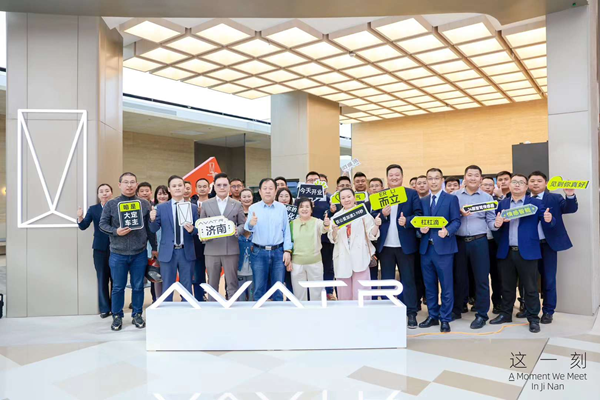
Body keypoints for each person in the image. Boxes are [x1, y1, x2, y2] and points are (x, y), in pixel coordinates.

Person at [490, 174, 554, 333]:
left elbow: (548, 221)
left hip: (528, 252)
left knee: (531, 288)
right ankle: (506, 314)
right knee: (507, 287)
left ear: (526, 187)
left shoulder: (535, 203)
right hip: (506, 251)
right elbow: (496, 226)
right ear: (510, 185)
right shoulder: (503, 204)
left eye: (521, 182)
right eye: (514, 182)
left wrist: (549, 219)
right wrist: (497, 224)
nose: (517, 185)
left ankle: (533, 318)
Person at [99, 172, 157, 331]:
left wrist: (154, 247)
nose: (129, 185)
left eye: (132, 182)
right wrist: (116, 231)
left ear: (136, 184)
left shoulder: (144, 204)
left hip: (139, 253)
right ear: (119, 185)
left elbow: (150, 229)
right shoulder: (112, 204)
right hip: (118, 253)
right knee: (118, 287)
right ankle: (117, 316)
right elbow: (102, 225)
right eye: (126, 182)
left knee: (138, 286)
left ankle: (137, 314)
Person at [528, 171, 578, 324]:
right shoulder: (523, 200)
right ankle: (530, 310)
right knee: (528, 280)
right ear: (528, 184)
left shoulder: (555, 198)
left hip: (548, 245)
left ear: (546, 183)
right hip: (529, 245)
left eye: (539, 181)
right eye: (532, 181)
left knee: (549, 279)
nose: (535, 183)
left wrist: (570, 195)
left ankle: (548, 311)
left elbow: (570, 208)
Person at [376, 164, 422, 329]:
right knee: (387, 280)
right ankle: (389, 311)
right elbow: (373, 216)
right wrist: (383, 214)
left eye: (397, 175)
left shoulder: (411, 194)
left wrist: (407, 221)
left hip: (405, 245)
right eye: (391, 175)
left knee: (408, 280)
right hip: (385, 246)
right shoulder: (380, 195)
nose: (394, 177)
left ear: (402, 177)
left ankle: (411, 313)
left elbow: (419, 214)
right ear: (387, 178)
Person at [453, 165, 498, 329]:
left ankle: (481, 314)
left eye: (476, 175)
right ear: (464, 178)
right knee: (459, 278)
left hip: (479, 242)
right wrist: (459, 213)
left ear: (481, 178)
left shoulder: (487, 197)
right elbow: (449, 218)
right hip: (458, 242)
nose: (473, 178)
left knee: (481, 279)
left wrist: (497, 224)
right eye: (469, 175)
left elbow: (491, 221)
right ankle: (457, 309)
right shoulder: (454, 196)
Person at [418, 168, 461, 333]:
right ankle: (433, 316)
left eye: (436, 178)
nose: (433, 181)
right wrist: (420, 229)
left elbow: (456, 221)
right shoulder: (423, 201)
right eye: (430, 178)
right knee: (429, 286)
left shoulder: (451, 199)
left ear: (442, 180)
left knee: (446, 286)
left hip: (444, 249)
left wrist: (448, 231)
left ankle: (445, 318)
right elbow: (418, 222)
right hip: (426, 249)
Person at [149, 175, 198, 301]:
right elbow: (153, 229)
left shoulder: (192, 208)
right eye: (174, 186)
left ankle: (188, 308)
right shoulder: (161, 208)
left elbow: (198, 231)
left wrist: (192, 230)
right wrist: (152, 219)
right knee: (167, 286)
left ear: (185, 188)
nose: (177, 188)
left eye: (180, 185)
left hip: (186, 251)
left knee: (187, 285)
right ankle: (167, 309)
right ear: (169, 189)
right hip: (167, 252)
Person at [199, 173, 247, 300]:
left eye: (225, 185)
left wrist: (238, 230)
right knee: (212, 283)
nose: (222, 187)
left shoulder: (237, 204)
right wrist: (202, 235)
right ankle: (213, 307)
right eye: (219, 185)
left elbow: (243, 224)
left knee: (232, 282)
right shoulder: (206, 204)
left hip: (230, 248)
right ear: (214, 187)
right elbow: (201, 224)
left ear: (229, 187)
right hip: (212, 248)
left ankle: (233, 306)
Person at [329, 188, 381, 300]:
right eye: (343, 198)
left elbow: (372, 235)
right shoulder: (336, 217)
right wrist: (334, 231)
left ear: (354, 198)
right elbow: (332, 239)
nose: (346, 200)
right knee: (344, 294)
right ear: (340, 201)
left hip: (360, 256)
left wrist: (377, 225)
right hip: (342, 258)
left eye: (349, 196)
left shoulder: (363, 214)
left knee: (362, 293)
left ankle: (363, 312)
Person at [245, 178, 293, 301]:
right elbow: (248, 228)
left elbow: (286, 230)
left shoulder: (281, 208)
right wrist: (251, 223)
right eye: (265, 189)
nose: (268, 191)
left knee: (278, 287)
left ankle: (278, 311)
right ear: (260, 192)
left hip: (278, 251)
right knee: (259, 287)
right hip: (259, 252)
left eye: (271, 188)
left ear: (275, 191)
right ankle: (259, 310)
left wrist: (287, 250)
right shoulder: (253, 208)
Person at [77, 183, 114, 318]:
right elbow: (83, 226)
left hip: (117, 248)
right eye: (101, 191)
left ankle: (115, 307)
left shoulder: (117, 206)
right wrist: (80, 217)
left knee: (116, 279)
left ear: (111, 193)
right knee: (102, 278)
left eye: (107, 190)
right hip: (100, 249)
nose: (104, 193)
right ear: (98, 195)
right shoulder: (93, 209)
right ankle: (105, 308)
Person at [290, 198, 331, 300]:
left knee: (317, 293)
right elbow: (289, 243)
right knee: (299, 293)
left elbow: (324, 229)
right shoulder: (292, 223)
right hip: (296, 263)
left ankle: (316, 310)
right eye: (301, 207)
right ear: (297, 209)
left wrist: (326, 224)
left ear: (311, 209)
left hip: (315, 262)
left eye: (307, 207)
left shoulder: (317, 222)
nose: (304, 209)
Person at [307, 171, 336, 300]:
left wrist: (332, 211)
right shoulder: (302, 199)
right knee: (311, 267)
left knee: (328, 266)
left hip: (326, 239)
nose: (313, 182)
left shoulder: (329, 197)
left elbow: (335, 215)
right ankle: (312, 293)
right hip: (308, 239)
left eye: (316, 180)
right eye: (310, 180)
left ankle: (328, 291)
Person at [481, 176, 502, 313]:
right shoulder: (474, 202)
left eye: (490, 185)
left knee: (496, 275)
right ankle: (479, 303)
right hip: (479, 241)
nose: (488, 187)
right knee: (480, 275)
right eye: (485, 185)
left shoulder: (498, 202)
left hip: (494, 243)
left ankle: (497, 302)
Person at [148, 185, 171, 301]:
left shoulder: (172, 208)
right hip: (157, 248)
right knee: (157, 276)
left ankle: (167, 300)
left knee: (168, 276)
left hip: (170, 248)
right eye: (160, 194)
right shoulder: (153, 210)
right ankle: (158, 300)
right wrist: (153, 248)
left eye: (165, 194)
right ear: (156, 196)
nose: (162, 196)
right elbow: (150, 232)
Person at [191, 177, 210, 301]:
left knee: (213, 273)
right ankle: (199, 297)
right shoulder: (191, 204)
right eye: (199, 186)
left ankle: (213, 298)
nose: (202, 189)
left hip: (213, 243)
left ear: (209, 189)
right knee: (198, 273)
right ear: (196, 189)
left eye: (204, 186)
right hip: (196, 244)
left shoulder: (214, 203)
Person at [238, 188, 255, 301]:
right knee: (240, 295)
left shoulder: (257, 210)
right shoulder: (236, 210)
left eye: (249, 196)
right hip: (239, 267)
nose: (247, 199)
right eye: (244, 197)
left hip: (253, 267)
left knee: (252, 293)